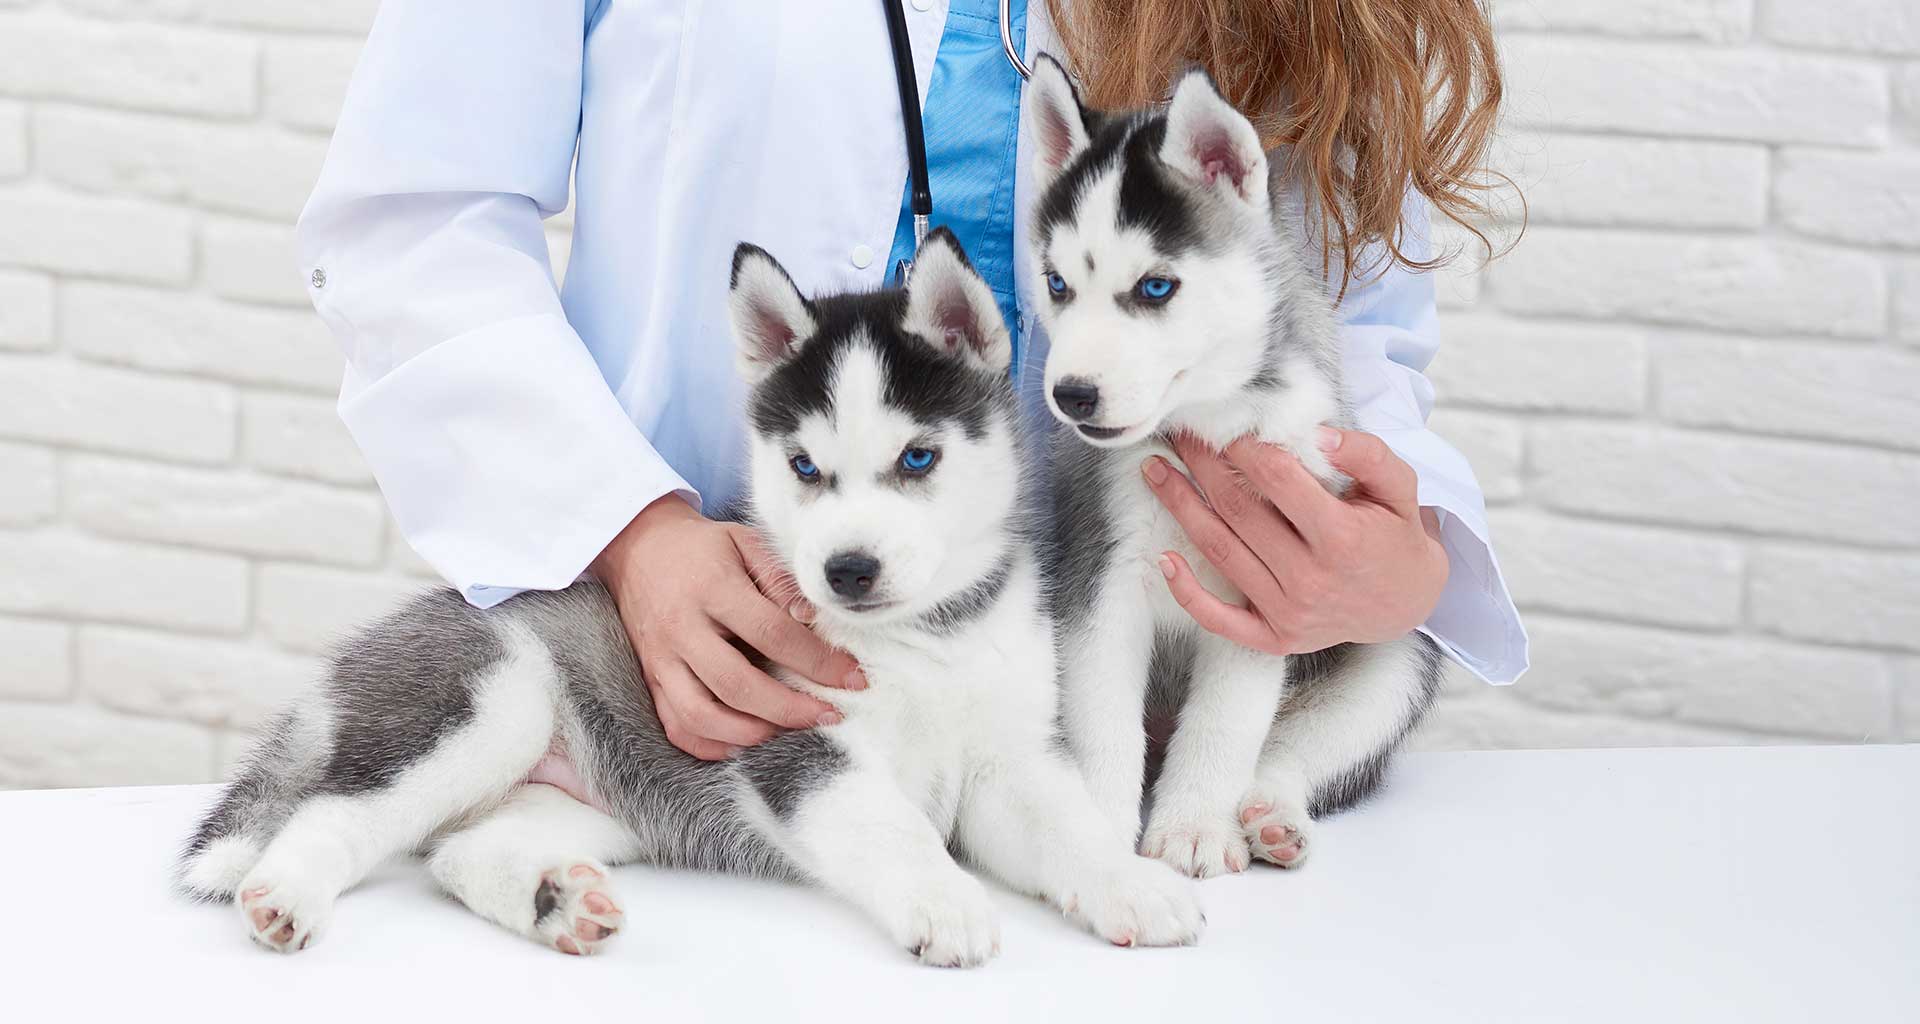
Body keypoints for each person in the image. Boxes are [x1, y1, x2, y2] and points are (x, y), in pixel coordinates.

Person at [297, 0, 1528, 765]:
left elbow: (1350, 312)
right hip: (744, 698)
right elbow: (415, 219)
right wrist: (632, 533)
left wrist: (1396, 555)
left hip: (1145, 745)